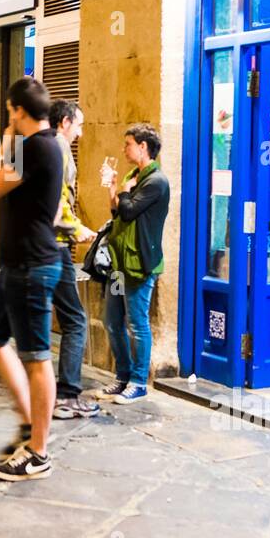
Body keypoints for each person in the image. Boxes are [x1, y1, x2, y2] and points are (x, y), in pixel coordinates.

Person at [0, 77, 65, 482]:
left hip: (31, 267)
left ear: (16, 110)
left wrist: (8, 137)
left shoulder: (35, 147)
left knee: (37, 358)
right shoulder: (47, 145)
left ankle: (39, 451)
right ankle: (30, 422)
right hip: (18, 265)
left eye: (10, 111)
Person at [96, 123, 171, 404]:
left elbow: (128, 211)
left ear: (143, 146)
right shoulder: (133, 175)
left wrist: (125, 190)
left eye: (128, 144)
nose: (124, 149)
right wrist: (114, 188)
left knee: (137, 324)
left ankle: (139, 382)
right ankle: (123, 376)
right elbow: (116, 210)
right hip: (119, 263)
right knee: (113, 321)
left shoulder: (156, 181)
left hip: (139, 264)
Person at [48, 100, 100, 419]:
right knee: (76, 320)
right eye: (78, 126)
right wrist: (76, 228)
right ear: (65, 122)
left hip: (37, 247)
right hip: (54, 247)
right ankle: (67, 396)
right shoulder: (60, 149)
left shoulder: (39, 147)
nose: (80, 133)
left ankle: (38, 389)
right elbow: (57, 201)